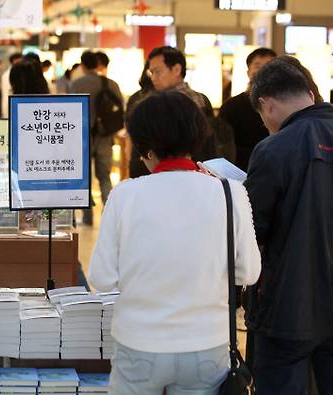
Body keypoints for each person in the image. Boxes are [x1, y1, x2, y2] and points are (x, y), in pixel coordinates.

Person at [89, 90, 261, 395]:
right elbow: (248, 272)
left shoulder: (125, 195)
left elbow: (102, 278)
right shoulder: (229, 192)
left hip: (139, 343)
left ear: (146, 146)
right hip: (207, 343)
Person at [245, 58, 333, 394]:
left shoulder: (272, 149)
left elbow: (253, 232)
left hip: (285, 308)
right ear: (309, 92)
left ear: (266, 104)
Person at [147, 46, 233, 163]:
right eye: (151, 72)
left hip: (175, 167)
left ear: (177, 69)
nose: (153, 77)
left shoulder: (168, 103)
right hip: (201, 168)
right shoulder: (201, 98)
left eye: (157, 71)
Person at [68, 51, 124, 225]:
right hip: (105, 136)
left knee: (83, 179)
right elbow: (120, 108)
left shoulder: (77, 84)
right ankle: (110, 218)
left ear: (83, 66)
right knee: (105, 177)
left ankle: (87, 217)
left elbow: (69, 111)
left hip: (82, 138)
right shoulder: (111, 84)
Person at [218, 47, 276, 171]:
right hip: (240, 173)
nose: (263, 70)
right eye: (257, 65)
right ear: (248, 72)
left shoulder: (285, 105)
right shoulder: (231, 107)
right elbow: (223, 147)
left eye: (268, 65)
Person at [126, 60, 154, 178]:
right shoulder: (170, 99)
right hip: (160, 159)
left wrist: (129, 156)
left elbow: (129, 131)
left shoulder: (135, 97)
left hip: (138, 155)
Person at [1, 52, 23, 117]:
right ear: (14, 61)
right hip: (11, 106)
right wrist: (5, 112)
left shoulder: (21, 72)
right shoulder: (7, 75)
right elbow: (6, 95)